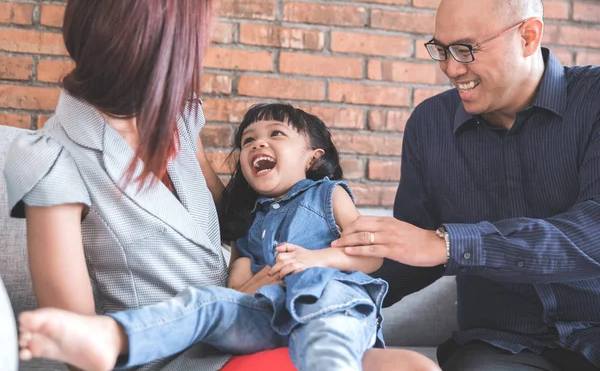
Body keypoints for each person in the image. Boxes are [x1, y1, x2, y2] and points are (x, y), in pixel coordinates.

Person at [2, 0, 440, 370]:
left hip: (245, 324)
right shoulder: (49, 157)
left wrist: (299, 228)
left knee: (413, 367)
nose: (202, 53)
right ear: (152, 39)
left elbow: (233, 215)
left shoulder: (179, 119)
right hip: (169, 355)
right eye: (197, 39)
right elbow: (76, 342)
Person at [15, 103, 439, 371]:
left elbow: (369, 257)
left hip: (325, 301)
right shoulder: (251, 220)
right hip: (264, 314)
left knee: (337, 341)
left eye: (276, 134)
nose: (258, 144)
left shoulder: (328, 195)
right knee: (206, 303)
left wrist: (316, 261)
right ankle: (114, 336)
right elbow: (238, 279)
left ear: (313, 158)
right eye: (249, 140)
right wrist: (247, 287)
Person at [331, 0, 600, 370]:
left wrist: (452, 243)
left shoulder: (593, 100)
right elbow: (411, 256)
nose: (451, 69)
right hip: (500, 344)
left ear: (528, 35)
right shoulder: (428, 126)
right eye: (441, 50)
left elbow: (594, 230)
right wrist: (318, 280)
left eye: (465, 49)